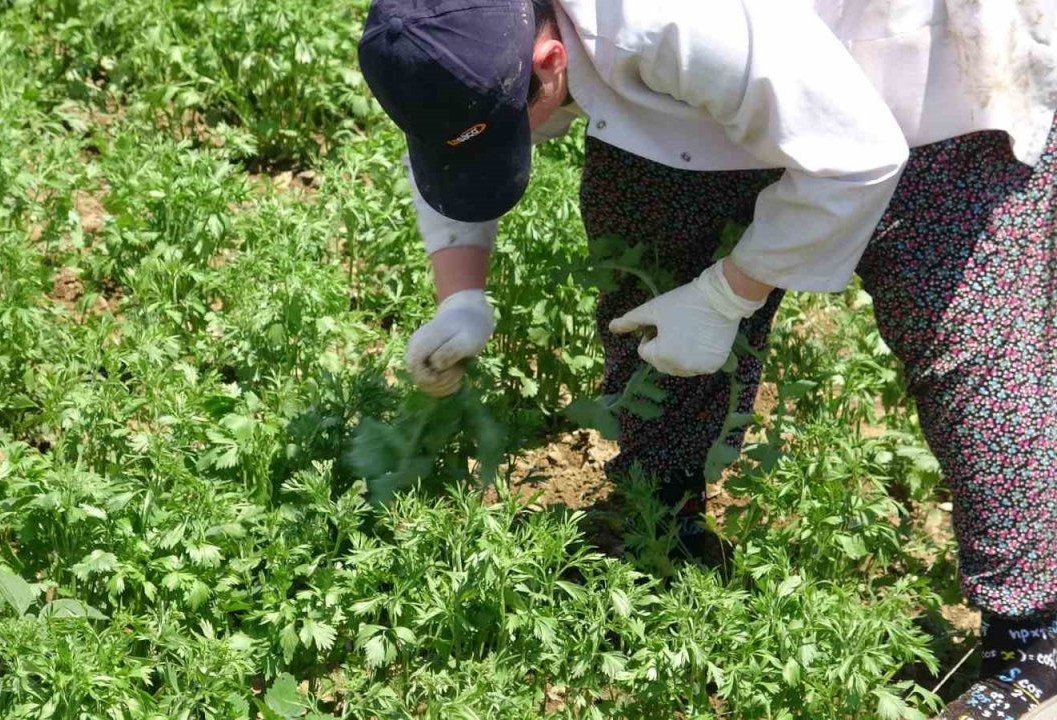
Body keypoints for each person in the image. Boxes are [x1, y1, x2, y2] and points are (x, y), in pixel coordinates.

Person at [357, 0, 1057, 717]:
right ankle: (661, 517)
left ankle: (1034, 639)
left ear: (550, 62)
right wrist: (460, 294)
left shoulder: (672, 23)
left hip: (927, 65)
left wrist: (726, 296)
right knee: (650, 265)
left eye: (512, 120)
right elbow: (453, 130)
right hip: (742, 65)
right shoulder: (450, 21)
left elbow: (860, 154)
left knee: (966, 345)